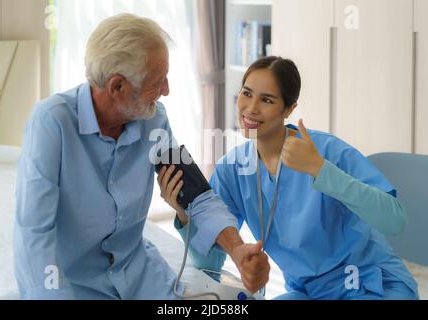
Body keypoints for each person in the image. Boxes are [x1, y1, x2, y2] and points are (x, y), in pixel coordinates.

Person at [14, 13, 269, 300]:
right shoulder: (52, 123)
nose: (167, 91)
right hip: (76, 287)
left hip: (141, 279)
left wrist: (237, 250)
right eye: (157, 82)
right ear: (117, 86)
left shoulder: (154, 120)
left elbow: (197, 195)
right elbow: (35, 233)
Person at [158, 56, 419, 300]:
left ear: (289, 108)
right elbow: (210, 262)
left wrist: (321, 170)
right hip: (310, 292)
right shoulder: (232, 171)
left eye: (267, 100)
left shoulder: (325, 151)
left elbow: (394, 220)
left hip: (372, 284)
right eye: (246, 94)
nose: (250, 108)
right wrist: (184, 215)